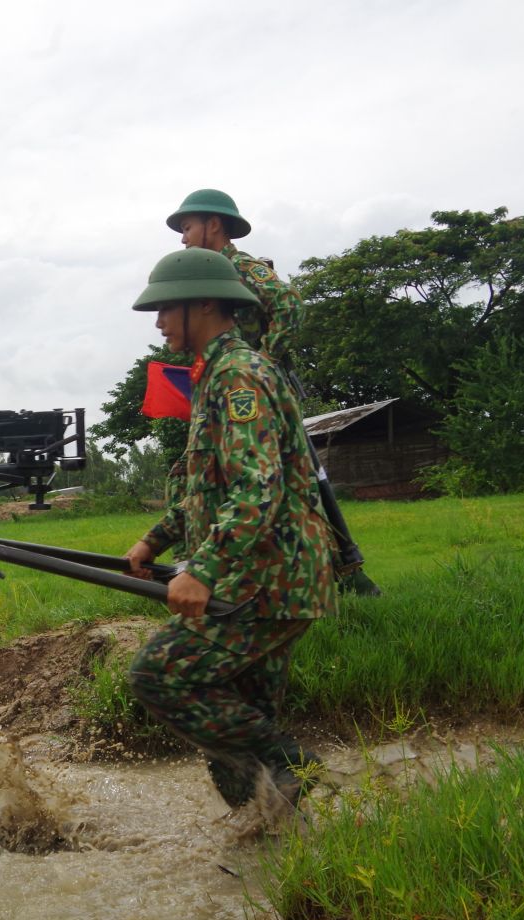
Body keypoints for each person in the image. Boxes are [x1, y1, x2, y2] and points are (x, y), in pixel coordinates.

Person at [121, 249, 337, 815]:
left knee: (158, 675)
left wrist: (203, 571)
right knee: (236, 725)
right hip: (272, 576)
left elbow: (255, 489)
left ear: (207, 303)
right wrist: (155, 540)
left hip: (268, 579)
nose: (159, 320)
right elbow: (208, 488)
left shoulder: (239, 376)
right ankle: (273, 846)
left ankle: (292, 765)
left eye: (167, 308)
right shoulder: (215, 374)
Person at [166, 188, 304, 363]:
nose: (183, 239)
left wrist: (264, 358)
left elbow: (290, 304)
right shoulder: (213, 275)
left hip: (254, 382)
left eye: (187, 228)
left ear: (214, 225)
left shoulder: (238, 266)